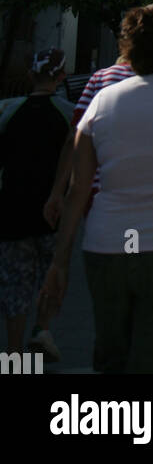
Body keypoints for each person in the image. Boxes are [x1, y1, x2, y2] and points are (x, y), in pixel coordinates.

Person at [39, 3, 153, 375]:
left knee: (112, 357)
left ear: (129, 49)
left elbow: (78, 190)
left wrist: (60, 261)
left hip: (106, 248)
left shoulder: (102, 102)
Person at [0, 48, 73, 362]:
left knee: (15, 288)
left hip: (12, 212)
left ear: (30, 75)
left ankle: (14, 358)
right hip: (54, 213)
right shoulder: (70, 114)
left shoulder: (7, 111)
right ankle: (42, 330)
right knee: (52, 276)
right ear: (62, 76)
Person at [44, 40, 136, 229]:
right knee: (131, 247)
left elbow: (75, 138)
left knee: (110, 251)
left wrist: (58, 192)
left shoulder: (102, 78)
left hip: (102, 195)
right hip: (146, 199)